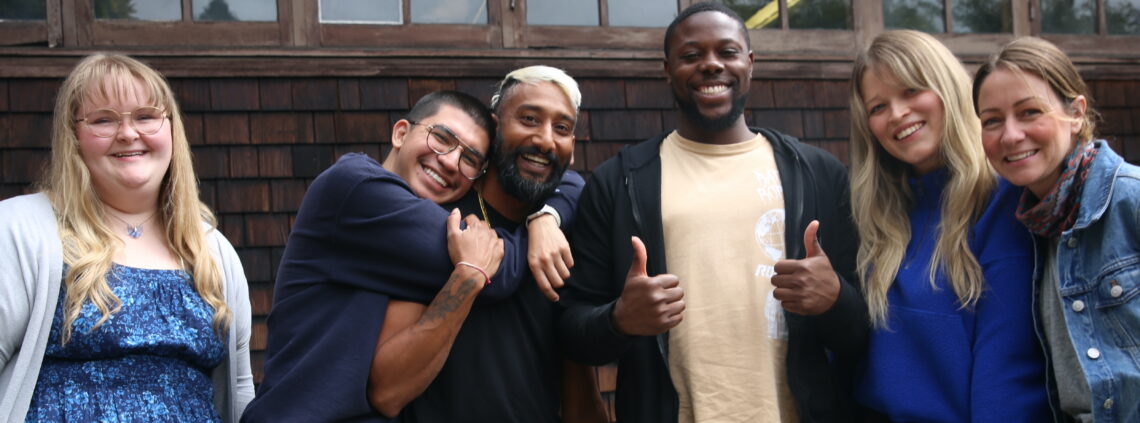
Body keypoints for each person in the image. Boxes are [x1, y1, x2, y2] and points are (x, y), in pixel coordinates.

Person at [558, 2, 867, 422]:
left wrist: (835, 300)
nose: (710, 65)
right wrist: (619, 320)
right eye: (691, 55)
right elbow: (572, 331)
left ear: (750, 63)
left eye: (727, 52)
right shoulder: (619, 182)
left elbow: (863, 331)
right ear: (667, 69)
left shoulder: (817, 174)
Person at [242, 90, 583, 422]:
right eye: (442, 138)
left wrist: (547, 216)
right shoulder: (357, 188)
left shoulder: (410, 227)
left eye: (470, 160)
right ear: (401, 132)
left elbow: (570, 181)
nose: (450, 162)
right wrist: (539, 223)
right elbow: (501, 272)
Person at [0, 53, 253, 422]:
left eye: (146, 116)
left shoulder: (211, 249)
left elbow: (241, 390)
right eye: (103, 120)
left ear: (170, 128)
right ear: (73, 138)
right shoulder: (20, 230)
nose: (128, 133)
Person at [848, 30, 1049, 422]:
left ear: (949, 90)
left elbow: (1009, 374)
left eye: (911, 91)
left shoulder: (1003, 201)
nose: (898, 114)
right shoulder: (877, 216)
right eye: (878, 107)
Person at [387, 66, 607, 423]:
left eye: (562, 128)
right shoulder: (440, 217)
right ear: (494, 128)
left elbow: (580, 388)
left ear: (572, 147)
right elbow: (387, 392)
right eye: (529, 119)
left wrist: (546, 217)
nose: (546, 140)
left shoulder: (570, 231)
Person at [974, 36, 1140, 423]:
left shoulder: (1129, 200)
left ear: (1077, 112)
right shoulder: (1030, 228)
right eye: (992, 121)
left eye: (1029, 112)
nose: (1010, 135)